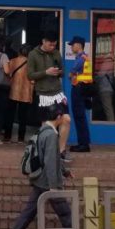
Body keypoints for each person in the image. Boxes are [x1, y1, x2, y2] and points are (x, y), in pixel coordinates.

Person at [3, 104, 73, 229]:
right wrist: (54, 185)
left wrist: (65, 172)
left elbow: (51, 158)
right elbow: (50, 160)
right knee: (66, 214)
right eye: (62, 117)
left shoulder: (42, 131)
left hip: (39, 180)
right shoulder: (52, 135)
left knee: (29, 211)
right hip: (49, 182)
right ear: (59, 117)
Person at [27, 31, 72, 160]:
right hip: (43, 94)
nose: (52, 47)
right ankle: (44, 152)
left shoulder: (56, 53)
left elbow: (63, 72)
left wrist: (58, 72)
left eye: (54, 45)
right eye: (50, 45)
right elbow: (30, 75)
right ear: (43, 41)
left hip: (58, 92)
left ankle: (61, 150)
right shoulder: (33, 54)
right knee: (47, 125)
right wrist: (46, 72)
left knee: (66, 119)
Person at [4, 45, 35, 144]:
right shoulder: (31, 64)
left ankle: (7, 136)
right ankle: (21, 138)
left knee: (9, 115)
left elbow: (7, 73)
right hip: (25, 93)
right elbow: (33, 81)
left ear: (19, 52)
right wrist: (31, 95)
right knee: (23, 117)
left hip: (13, 91)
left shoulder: (12, 61)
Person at [68, 36, 92, 152]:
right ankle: (83, 142)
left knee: (79, 116)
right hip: (82, 89)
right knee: (80, 116)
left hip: (79, 89)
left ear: (79, 45)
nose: (72, 47)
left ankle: (83, 144)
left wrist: (71, 75)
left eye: (73, 45)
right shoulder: (84, 57)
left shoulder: (81, 58)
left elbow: (71, 73)